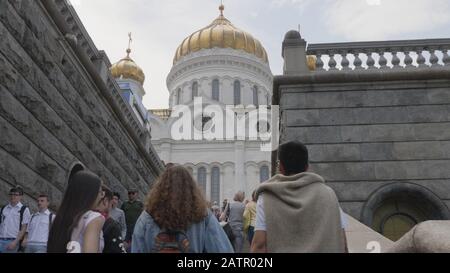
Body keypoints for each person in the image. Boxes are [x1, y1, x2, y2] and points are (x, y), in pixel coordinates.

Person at [251, 141, 348, 253]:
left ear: (281, 167)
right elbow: (342, 240)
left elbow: (259, 246)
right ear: (307, 166)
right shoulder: (328, 194)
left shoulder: (267, 198)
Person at [132, 166, 233, 253]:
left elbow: (137, 248)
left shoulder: (147, 216)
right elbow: (222, 249)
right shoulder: (203, 215)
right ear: (191, 189)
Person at [47, 170, 105, 253]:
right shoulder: (94, 218)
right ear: (89, 194)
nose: (101, 196)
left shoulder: (58, 218)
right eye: (100, 192)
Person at [0, 186, 31, 253]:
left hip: (12, 241)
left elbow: (24, 228)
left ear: (20, 196)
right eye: (11, 194)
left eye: (15, 195)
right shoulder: (4, 208)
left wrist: (15, 242)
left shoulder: (24, 209)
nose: (12, 196)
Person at [96, 186, 126, 253]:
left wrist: (123, 238)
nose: (114, 201)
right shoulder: (111, 225)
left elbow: (124, 226)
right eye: (113, 199)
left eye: (116, 199)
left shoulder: (120, 212)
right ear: (107, 201)